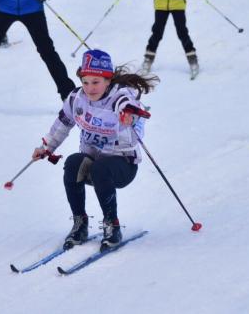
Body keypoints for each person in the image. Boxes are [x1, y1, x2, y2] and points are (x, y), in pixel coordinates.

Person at [31, 49, 158, 251]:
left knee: (101, 168)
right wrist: (46, 147)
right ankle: (80, 224)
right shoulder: (76, 99)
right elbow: (62, 125)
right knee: (72, 163)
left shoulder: (120, 96)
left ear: (108, 80)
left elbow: (128, 105)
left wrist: (129, 116)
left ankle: (112, 226)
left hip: (122, 165)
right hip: (94, 162)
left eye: (96, 82)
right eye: (86, 82)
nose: (90, 88)